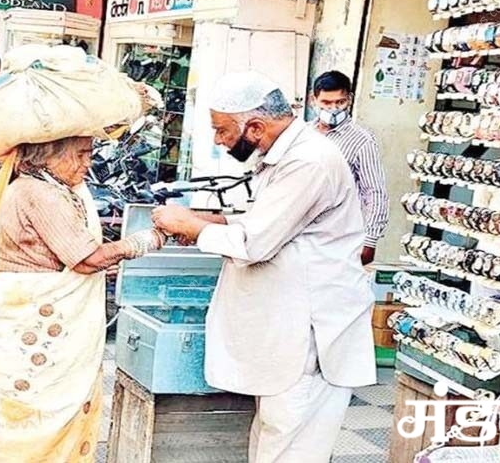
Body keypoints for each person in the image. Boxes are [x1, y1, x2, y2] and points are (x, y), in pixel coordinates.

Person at [151, 71, 376, 463]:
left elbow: (253, 243)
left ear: (254, 126)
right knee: (274, 438)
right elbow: (269, 224)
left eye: (221, 131)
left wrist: (191, 226)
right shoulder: (283, 155)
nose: (218, 141)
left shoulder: (309, 161)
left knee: (291, 445)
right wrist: (214, 222)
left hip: (311, 332)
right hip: (287, 330)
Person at [0, 136, 165, 462]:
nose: (88, 164)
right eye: (80, 155)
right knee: (33, 417)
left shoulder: (52, 187)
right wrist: (149, 239)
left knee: (29, 416)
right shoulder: (38, 193)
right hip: (28, 321)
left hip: (22, 319)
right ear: (49, 155)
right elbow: (86, 259)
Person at [311, 71, 389, 265]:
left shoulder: (362, 140)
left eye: (340, 102)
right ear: (314, 100)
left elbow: (375, 191)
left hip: (338, 234)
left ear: (350, 100)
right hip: (301, 232)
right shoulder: (303, 134)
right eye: (326, 103)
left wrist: (370, 240)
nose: (334, 109)